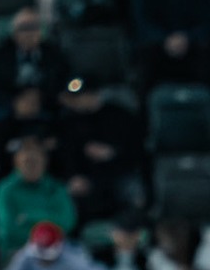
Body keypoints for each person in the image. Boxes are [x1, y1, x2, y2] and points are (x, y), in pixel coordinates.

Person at [0, 8, 69, 137]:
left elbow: (65, 81)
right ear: (14, 32)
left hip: (44, 104)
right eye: (23, 28)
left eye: (33, 27)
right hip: (7, 105)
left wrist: (39, 98)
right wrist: (14, 102)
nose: (29, 33)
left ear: (41, 30)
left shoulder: (54, 54)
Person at [56, 75, 145, 224]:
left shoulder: (120, 116)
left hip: (119, 173)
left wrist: (112, 153)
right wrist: (74, 175)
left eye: (80, 97)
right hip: (88, 178)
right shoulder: (70, 122)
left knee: (133, 193)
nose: (75, 102)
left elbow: (137, 150)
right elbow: (67, 154)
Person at [0, 136, 78, 262]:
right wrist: (49, 224)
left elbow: (67, 223)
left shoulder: (56, 188)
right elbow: (8, 232)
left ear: (45, 162)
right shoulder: (5, 190)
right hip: (19, 252)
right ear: (16, 162)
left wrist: (29, 217)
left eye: (36, 162)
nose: (32, 166)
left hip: (57, 251)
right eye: (27, 161)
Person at [131, 0, 210, 86]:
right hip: (156, 46)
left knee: (206, 49)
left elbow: (207, 21)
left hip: (192, 46)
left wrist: (187, 38)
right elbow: (142, 22)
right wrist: (165, 39)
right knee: (146, 50)